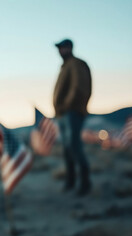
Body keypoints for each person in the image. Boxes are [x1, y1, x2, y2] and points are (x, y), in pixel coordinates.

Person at [53, 39, 92, 196]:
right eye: (59, 48)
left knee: (74, 147)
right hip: (63, 114)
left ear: (68, 48)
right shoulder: (65, 67)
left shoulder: (76, 64)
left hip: (72, 112)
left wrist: (67, 106)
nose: (60, 51)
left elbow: (79, 87)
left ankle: (85, 184)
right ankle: (71, 182)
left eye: (62, 48)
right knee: (68, 149)